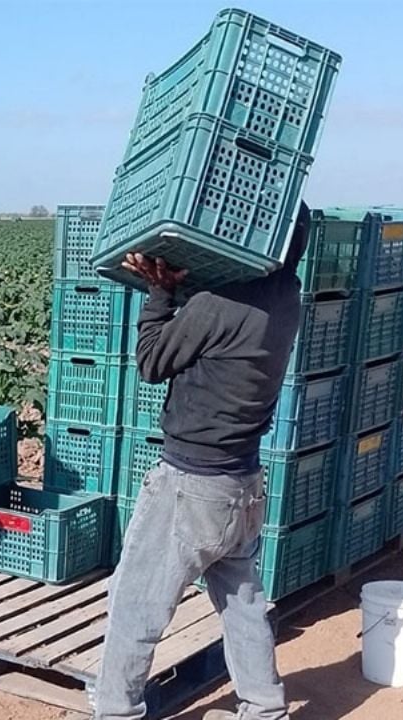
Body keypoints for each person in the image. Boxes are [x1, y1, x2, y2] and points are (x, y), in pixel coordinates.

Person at [93, 203, 312, 720]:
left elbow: (151, 361)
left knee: (136, 604)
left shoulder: (220, 302)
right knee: (242, 603)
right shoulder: (287, 296)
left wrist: (162, 292)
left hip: (192, 485)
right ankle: (263, 708)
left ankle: (116, 711)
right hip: (244, 483)